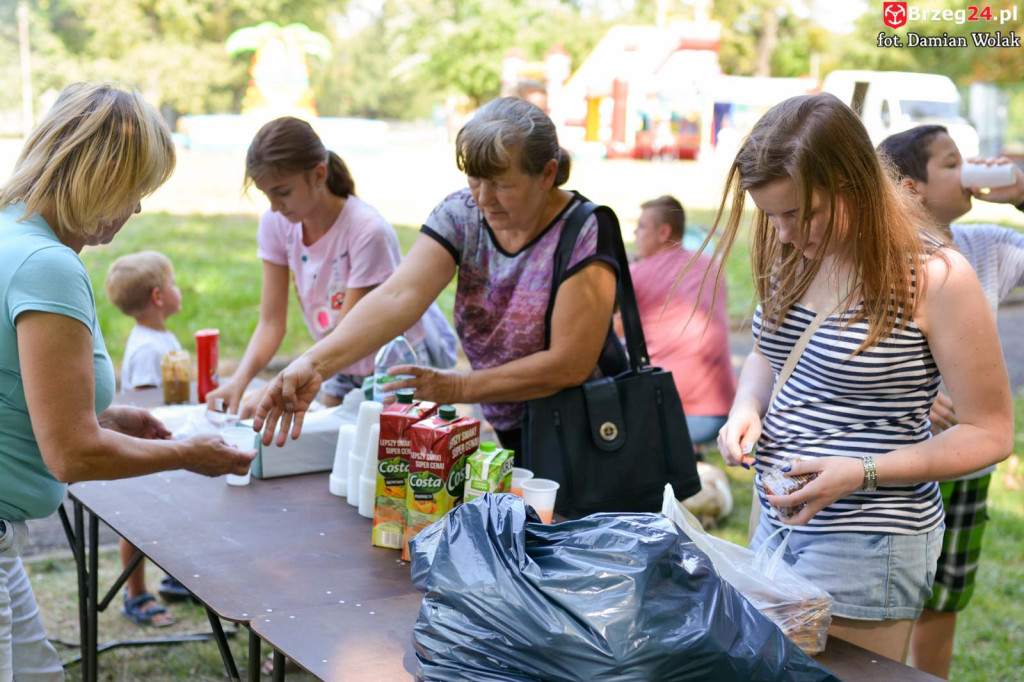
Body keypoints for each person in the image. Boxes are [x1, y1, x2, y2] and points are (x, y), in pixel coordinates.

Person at [714, 93, 1014, 662]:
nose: (782, 233)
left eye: (799, 212)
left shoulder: (936, 276)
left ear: (854, 183)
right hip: (778, 524)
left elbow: (990, 431)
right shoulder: (795, 252)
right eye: (770, 214)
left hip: (869, 542)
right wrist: (746, 408)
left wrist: (862, 471)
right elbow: (768, 352)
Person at [0, 82, 253, 680]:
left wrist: (105, 417)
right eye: (136, 190)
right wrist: (186, 453)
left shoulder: (11, 233)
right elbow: (73, 454)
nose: (138, 208)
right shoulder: (47, 266)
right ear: (103, 175)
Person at [251, 96, 625, 461]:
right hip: (514, 431)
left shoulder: (585, 230)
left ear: (546, 174)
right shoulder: (461, 214)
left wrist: (456, 386)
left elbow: (569, 364)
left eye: (502, 184)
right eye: (475, 180)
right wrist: (313, 365)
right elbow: (398, 296)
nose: (483, 198)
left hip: (593, 439)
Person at [878, 126, 1024, 679]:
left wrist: (1022, 195)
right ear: (912, 187)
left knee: (943, 595)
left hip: (963, 461)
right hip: (886, 462)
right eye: (951, 164)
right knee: (882, 594)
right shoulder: (876, 256)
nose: (968, 171)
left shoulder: (985, 246)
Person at [204, 117, 452, 417]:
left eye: (282, 192)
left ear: (319, 175)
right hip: (334, 362)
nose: (273, 206)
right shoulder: (276, 223)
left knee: (391, 454)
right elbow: (271, 323)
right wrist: (239, 383)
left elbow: (347, 332)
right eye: (265, 194)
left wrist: (280, 386)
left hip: (390, 365)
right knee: (326, 446)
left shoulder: (366, 230)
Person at [104, 251, 195, 625]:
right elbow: (144, 405)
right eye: (172, 283)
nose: (178, 289)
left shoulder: (160, 335)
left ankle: (174, 579)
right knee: (140, 524)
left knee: (175, 516)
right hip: (148, 452)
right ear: (159, 297)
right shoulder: (146, 348)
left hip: (165, 447)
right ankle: (136, 592)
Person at [625, 195, 736, 448]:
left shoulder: (636, 275)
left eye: (641, 226)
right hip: (722, 406)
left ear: (664, 232)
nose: (635, 232)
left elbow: (613, 328)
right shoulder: (712, 266)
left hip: (672, 408)